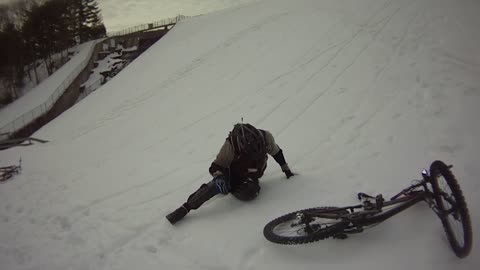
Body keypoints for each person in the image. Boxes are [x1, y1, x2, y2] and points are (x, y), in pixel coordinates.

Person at [166, 123, 294, 224]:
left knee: (249, 193)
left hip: (252, 176)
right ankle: (185, 208)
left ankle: (238, 187)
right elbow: (215, 166)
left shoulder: (266, 137)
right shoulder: (231, 145)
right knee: (214, 186)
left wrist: (286, 169)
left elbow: (277, 153)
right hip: (232, 174)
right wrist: (219, 177)